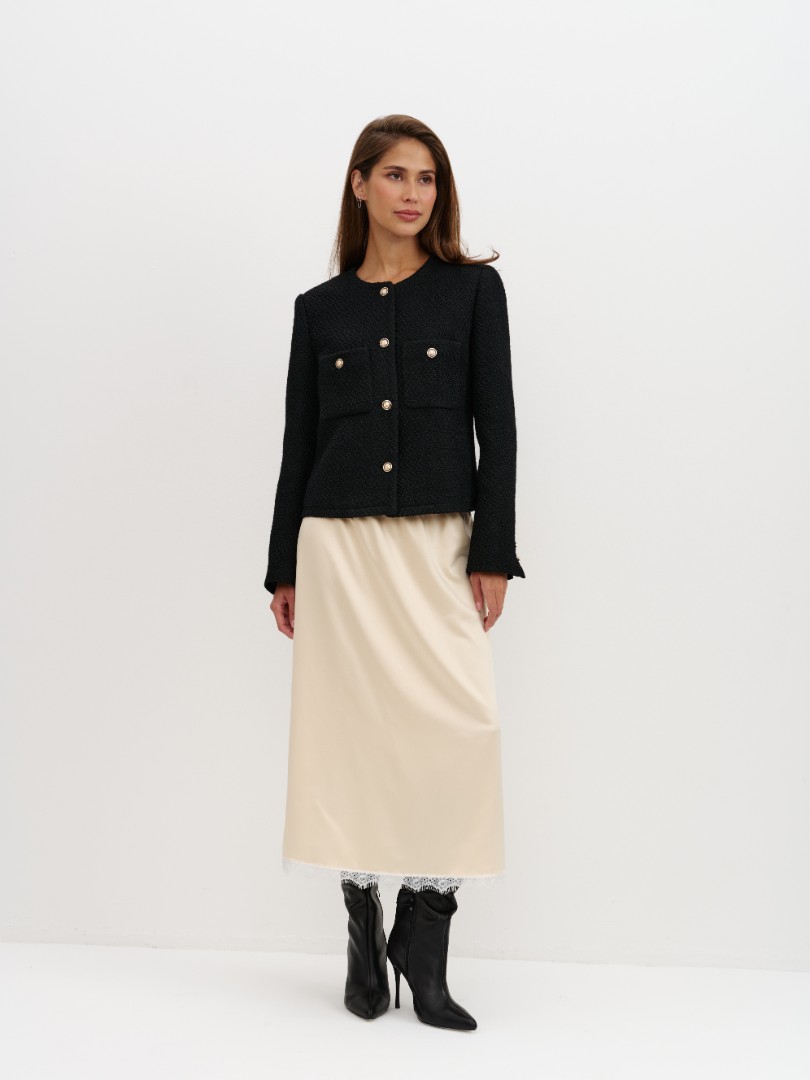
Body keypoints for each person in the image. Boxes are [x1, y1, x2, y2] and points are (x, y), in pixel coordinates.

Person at [263, 114, 525, 1030]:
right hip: (337, 549)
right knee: (350, 736)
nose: (414, 194)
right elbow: (298, 444)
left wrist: (493, 550)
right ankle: (361, 927)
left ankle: (424, 934)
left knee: (461, 727)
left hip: (438, 544)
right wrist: (282, 568)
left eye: (428, 179)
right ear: (360, 184)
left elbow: (499, 424)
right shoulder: (319, 309)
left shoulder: (473, 292)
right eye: (397, 176)